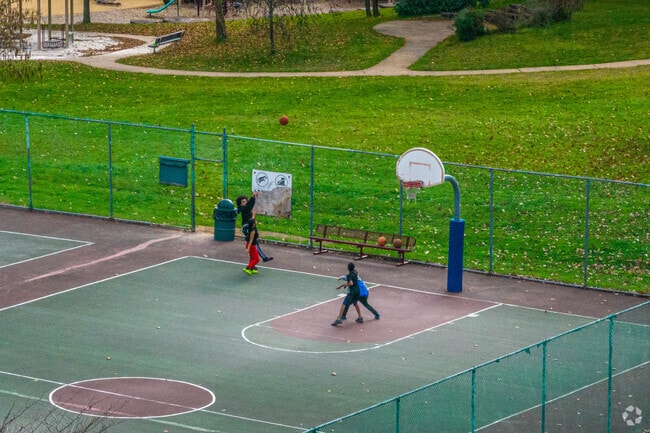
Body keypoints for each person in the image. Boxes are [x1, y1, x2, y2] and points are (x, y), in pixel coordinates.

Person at [236, 192, 272, 262]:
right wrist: (253, 196)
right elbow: (249, 205)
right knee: (254, 242)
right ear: (241, 204)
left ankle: (253, 261)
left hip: (248, 227)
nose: (245, 202)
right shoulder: (244, 209)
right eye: (244, 202)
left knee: (253, 244)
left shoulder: (245, 209)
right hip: (247, 227)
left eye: (246, 201)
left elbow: (249, 206)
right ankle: (262, 258)